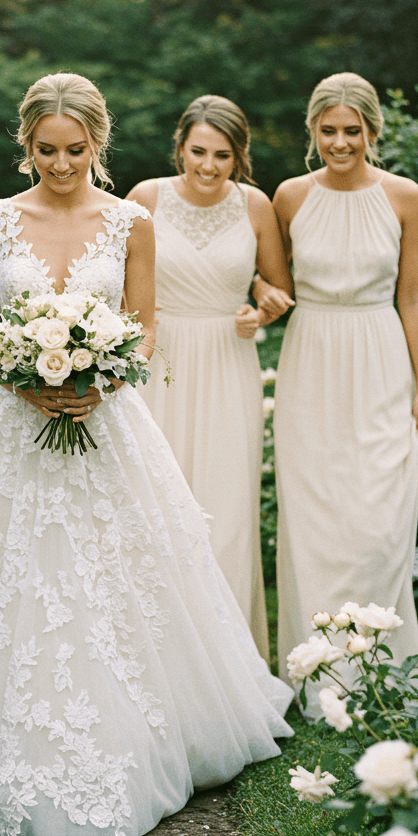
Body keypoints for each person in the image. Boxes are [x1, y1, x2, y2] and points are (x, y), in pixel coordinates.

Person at [0, 72, 293, 836]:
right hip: (12, 419)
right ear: (26, 145)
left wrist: (101, 375)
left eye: (76, 150)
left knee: (117, 576)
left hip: (107, 420)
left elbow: (144, 328)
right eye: (46, 150)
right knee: (4, 571)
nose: (62, 163)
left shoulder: (132, 223)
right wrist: (20, 374)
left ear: (97, 145)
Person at [270, 71, 418, 698]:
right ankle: (319, 670)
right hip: (310, 357)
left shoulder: (403, 196)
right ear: (313, 130)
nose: (341, 142)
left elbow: (413, 294)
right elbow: (273, 282)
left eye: (353, 131)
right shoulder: (289, 196)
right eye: (329, 130)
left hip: (379, 356)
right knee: (314, 513)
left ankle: (376, 664)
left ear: (372, 131)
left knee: (376, 514)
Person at [127, 96, 293, 659]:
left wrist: (264, 306)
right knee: (152, 500)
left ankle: (226, 656)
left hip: (228, 361)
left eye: (222, 155)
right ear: (179, 148)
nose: (208, 165)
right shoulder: (144, 200)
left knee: (225, 505)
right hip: (158, 362)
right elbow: (110, 281)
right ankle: (154, 649)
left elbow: (275, 286)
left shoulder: (255, 204)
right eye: (198, 151)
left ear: (239, 156)